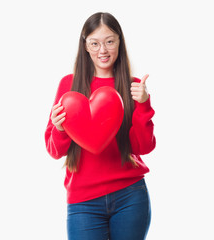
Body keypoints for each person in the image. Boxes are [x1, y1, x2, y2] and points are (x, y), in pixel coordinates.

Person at [45, 12, 156, 240]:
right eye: (94, 43)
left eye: (109, 41)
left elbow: (143, 147)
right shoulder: (69, 85)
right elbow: (55, 151)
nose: (102, 50)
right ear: (85, 46)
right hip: (83, 201)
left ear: (119, 42)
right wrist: (60, 129)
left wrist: (144, 105)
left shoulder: (134, 86)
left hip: (130, 195)